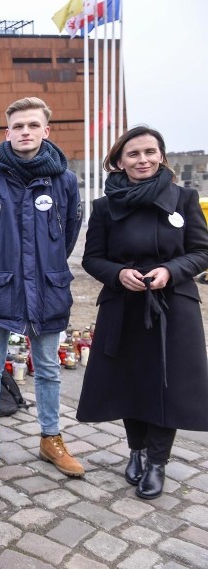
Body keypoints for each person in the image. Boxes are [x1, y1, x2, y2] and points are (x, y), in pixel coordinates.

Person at [77, 126, 208, 500]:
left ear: (162, 156)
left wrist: (171, 270)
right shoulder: (104, 207)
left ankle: (156, 462)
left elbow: (202, 251)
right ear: (119, 161)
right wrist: (117, 274)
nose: (143, 159)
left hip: (173, 307)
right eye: (133, 154)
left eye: (150, 152)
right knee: (130, 380)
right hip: (124, 305)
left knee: (167, 384)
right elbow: (92, 259)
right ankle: (135, 448)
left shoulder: (184, 198)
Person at [0, 97, 85, 477]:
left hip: (48, 288)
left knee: (47, 366)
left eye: (33, 125)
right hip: (2, 289)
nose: (25, 132)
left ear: (46, 131)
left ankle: (51, 438)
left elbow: (67, 236)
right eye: (18, 126)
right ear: (7, 132)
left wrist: (44, 268)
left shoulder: (64, 182)